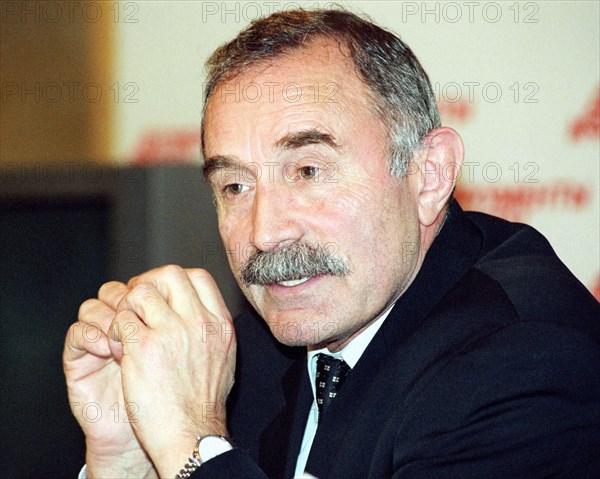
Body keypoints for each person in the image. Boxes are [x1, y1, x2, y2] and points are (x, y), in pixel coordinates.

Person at [63, 8, 600, 479]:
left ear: (429, 174)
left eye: (309, 170)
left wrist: (194, 445)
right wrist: (130, 461)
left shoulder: (524, 363)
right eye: (234, 185)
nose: (265, 231)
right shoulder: (253, 345)